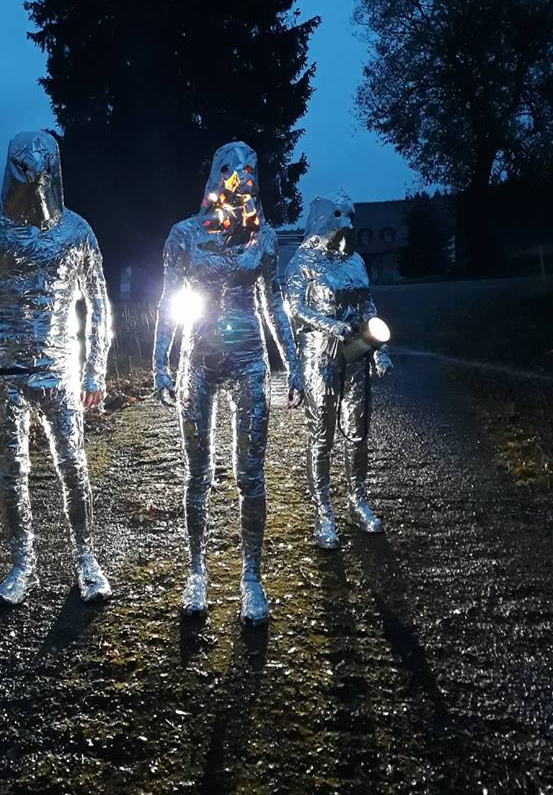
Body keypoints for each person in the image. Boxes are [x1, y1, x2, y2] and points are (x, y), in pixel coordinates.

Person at [0, 130, 112, 604]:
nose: (33, 179)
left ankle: (86, 558)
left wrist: (94, 369)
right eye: (24, 169)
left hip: (59, 369)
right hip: (5, 370)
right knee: (12, 471)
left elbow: (98, 302)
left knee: (73, 464)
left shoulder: (76, 232)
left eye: (41, 169)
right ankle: (23, 562)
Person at [153, 140, 303, 625]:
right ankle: (196, 571)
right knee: (198, 472)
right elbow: (169, 301)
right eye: (232, 171)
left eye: (250, 171)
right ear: (216, 175)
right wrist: (160, 362)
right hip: (198, 358)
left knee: (251, 473)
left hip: (249, 359)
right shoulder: (184, 235)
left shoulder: (264, 238)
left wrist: (293, 361)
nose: (242, 179)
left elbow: (273, 302)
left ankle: (251, 577)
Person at [285, 194, 392, 549]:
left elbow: (367, 304)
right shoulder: (303, 262)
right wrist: (329, 325)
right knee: (322, 435)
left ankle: (357, 502)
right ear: (323, 218)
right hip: (320, 356)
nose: (346, 221)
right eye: (338, 214)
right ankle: (323, 513)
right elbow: (295, 308)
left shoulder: (356, 261)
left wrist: (379, 351)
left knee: (357, 432)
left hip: (355, 354)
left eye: (351, 214)